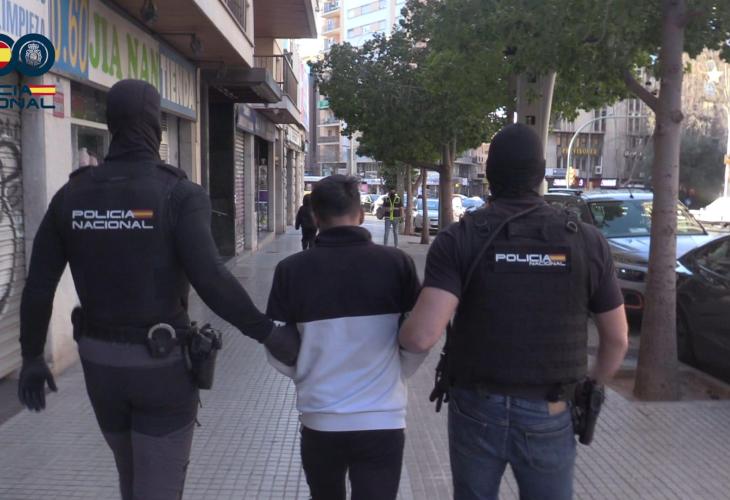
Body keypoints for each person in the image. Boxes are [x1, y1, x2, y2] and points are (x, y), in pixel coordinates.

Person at [16, 79, 300, 500]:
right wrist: (267, 332)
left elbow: (39, 284)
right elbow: (211, 278)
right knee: (158, 488)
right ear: (157, 126)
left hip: (100, 365)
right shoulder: (179, 193)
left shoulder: (71, 195)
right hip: (161, 366)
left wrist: (31, 357)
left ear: (110, 124)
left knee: (131, 478)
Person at [399, 124, 629, 500]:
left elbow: (421, 337)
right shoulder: (587, 241)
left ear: (489, 176)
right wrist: (591, 386)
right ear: (541, 175)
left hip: (476, 406)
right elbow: (617, 339)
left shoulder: (459, 238)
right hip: (552, 407)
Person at [266, 175, 426, 500]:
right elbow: (419, 337)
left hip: (320, 419)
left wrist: (305, 372)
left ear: (315, 217)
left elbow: (276, 343)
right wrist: (399, 371)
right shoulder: (397, 264)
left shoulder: (291, 270)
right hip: (382, 420)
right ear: (361, 214)